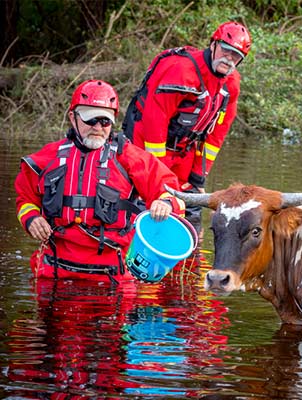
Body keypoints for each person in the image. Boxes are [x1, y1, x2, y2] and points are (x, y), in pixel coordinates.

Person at [15, 79, 185, 284]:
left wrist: (164, 203)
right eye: (90, 120)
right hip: (54, 272)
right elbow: (24, 198)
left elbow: (171, 192)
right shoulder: (48, 157)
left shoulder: (129, 157)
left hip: (113, 275)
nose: (97, 127)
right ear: (72, 117)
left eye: (105, 121)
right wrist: (31, 218)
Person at [122, 21, 251, 225]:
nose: (229, 58)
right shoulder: (181, 71)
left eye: (236, 56)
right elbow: (154, 123)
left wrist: (198, 178)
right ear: (213, 45)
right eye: (225, 51)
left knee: (189, 212)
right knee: (146, 209)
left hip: (183, 154)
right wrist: (159, 179)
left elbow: (216, 135)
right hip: (144, 148)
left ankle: (192, 253)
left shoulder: (231, 85)